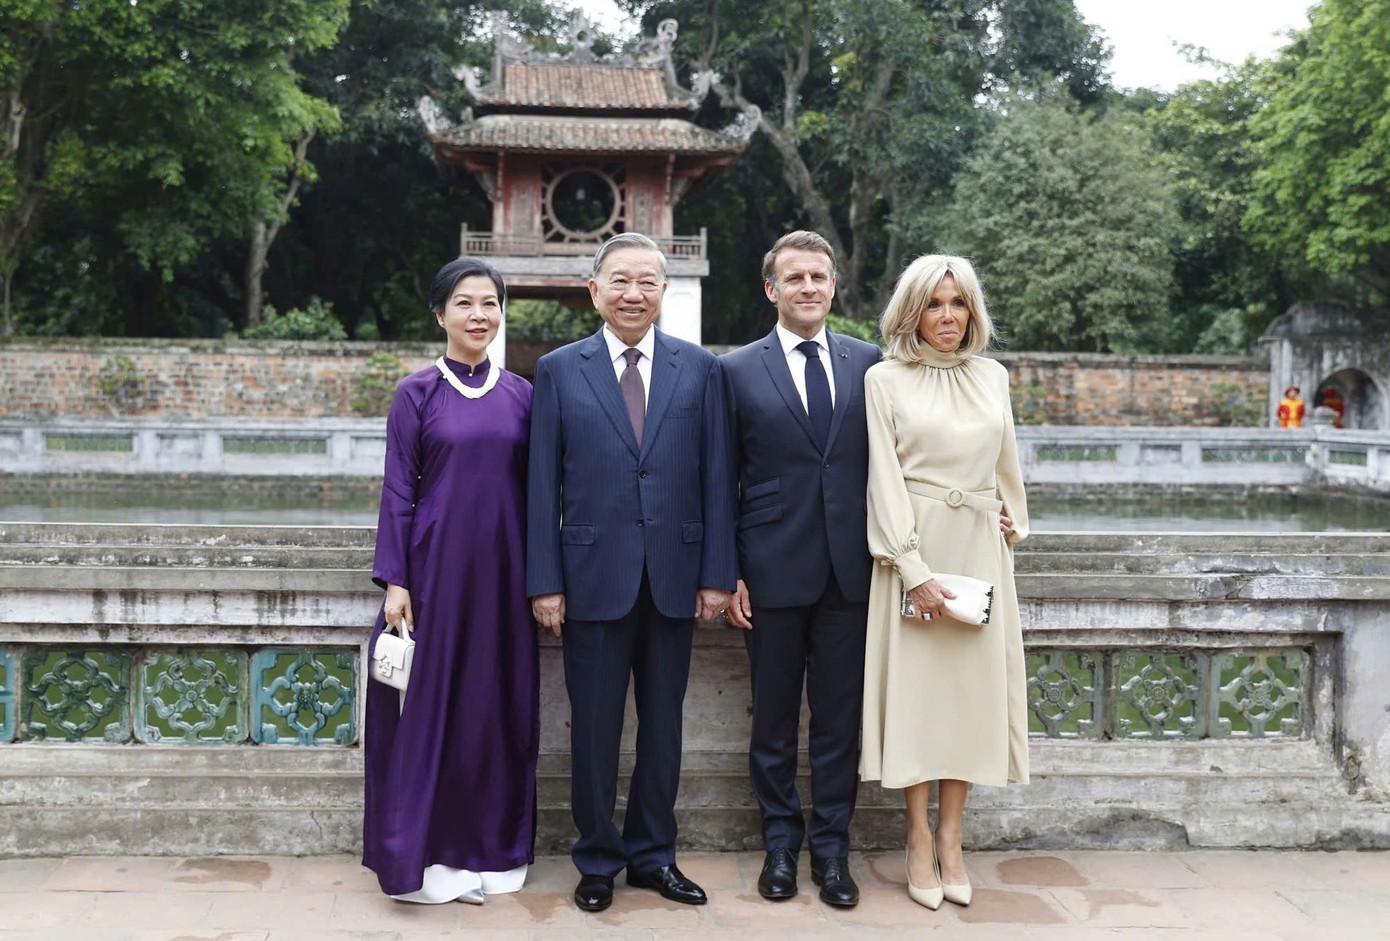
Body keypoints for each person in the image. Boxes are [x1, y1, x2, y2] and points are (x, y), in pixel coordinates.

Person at [527, 232, 736, 913]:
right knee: (591, 727)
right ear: (594, 290)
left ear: (664, 292)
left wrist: (716, 573)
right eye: (620, 281)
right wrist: (544, 579)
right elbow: (540, 486)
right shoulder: (559, 370)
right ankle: (596, 857)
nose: (633, 293)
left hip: (676, 576)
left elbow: (716, 477)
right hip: (588, 578)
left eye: (647, 281)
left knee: (663, 727)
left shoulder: (699, 369)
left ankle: (654, 854)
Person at [362, 258, 538, 904]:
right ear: (440, 313)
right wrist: (395, 578)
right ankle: (431, 858)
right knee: (434, 716)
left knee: (495, 712)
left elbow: (539, 493)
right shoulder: (417, 394)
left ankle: (491, 850)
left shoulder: (523, 394)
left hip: (505, 578)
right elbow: (396, 490)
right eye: (464, 303)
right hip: (434, 578)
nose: (478, 315)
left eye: (489, 303)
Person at [859, 254, 1028, 911]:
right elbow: (882, 475)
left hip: (982, 551)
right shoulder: (884, 379)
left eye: (959, 303)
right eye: (935, 303)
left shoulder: (994, 376)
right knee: (920, 699)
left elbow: (1006, 457)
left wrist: (1012, 514)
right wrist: (914, 568)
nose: (949, 315)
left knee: (968, 700)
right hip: (915, 554)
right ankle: (917, 837)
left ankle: (955, 838)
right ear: (913, 311)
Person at [720, 231, 881, 907]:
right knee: (774, 720)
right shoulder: (734, 370)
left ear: (833, 285)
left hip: (851, 572)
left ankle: (834, 852)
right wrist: (727, 572)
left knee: (841, 721)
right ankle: (781, 844)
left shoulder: (869, 363)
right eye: (795, 278)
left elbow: (901, 467)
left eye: (819, 276)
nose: (808, 287)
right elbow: (720, 479)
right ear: (772, 289)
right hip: (770, 572)